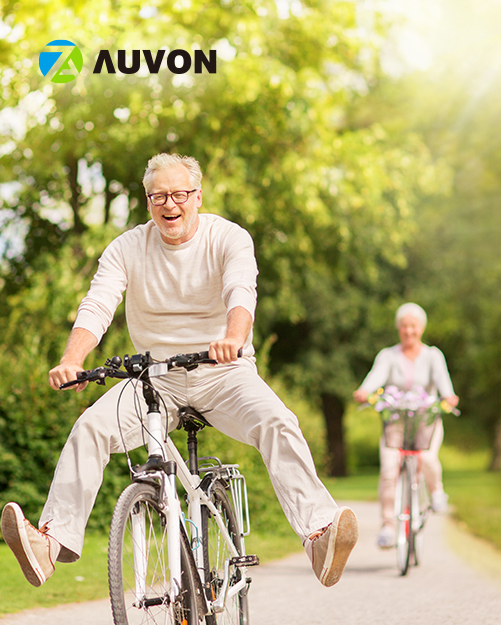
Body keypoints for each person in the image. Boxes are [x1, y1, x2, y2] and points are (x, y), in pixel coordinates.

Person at [1, 153, 358, 588]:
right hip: (155, 379)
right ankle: (50, 544)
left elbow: (241, 291)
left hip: (224, 372)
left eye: (179, 194)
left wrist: (233, 337)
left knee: (278, 421)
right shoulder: (127, 247)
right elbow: (98, 304)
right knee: (90, 428)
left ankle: (319, 535)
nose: (170, 204)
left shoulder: (228, 237)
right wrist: (71, 359)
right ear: (147, 201)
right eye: (159, 196)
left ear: (197, 196)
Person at [352, 303, 458, 549]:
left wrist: (449, 397)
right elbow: (375, 377)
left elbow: (445, 386)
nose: (409, 331)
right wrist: (364, 391)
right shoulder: (388, 356)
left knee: (428, 458)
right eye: (404, 327)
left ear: (421, 329)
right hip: (396, 422)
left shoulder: (433, 355)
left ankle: (437, 492)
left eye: (413, 326)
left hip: (426, 421)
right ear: (399, 329)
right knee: (389, 470)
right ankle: (388, 527)